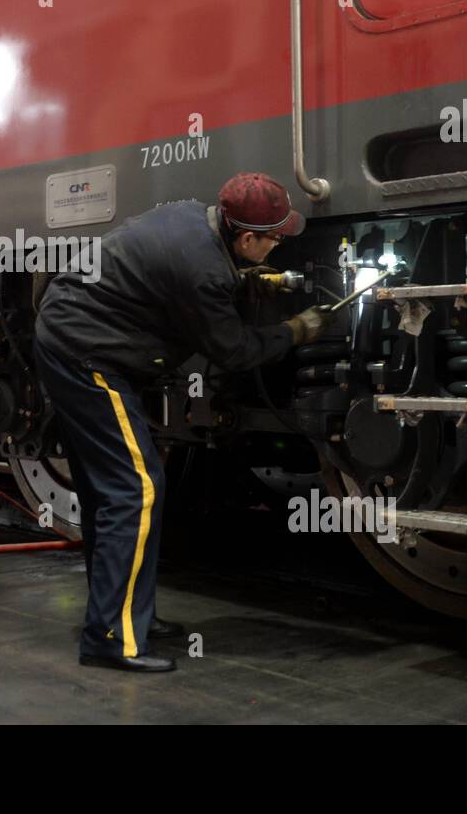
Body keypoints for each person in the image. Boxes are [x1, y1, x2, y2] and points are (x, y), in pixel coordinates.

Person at [34, 172, 332, 672]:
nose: (278, 247)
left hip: (71, 338)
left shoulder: (197, 219)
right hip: (85, 354)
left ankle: (126, 617)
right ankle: (112, 639)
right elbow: (233, 350)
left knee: (110, 492)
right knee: (137, 490)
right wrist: (295, 330)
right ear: (245, 238)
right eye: (274, 239)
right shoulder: (203, 268)